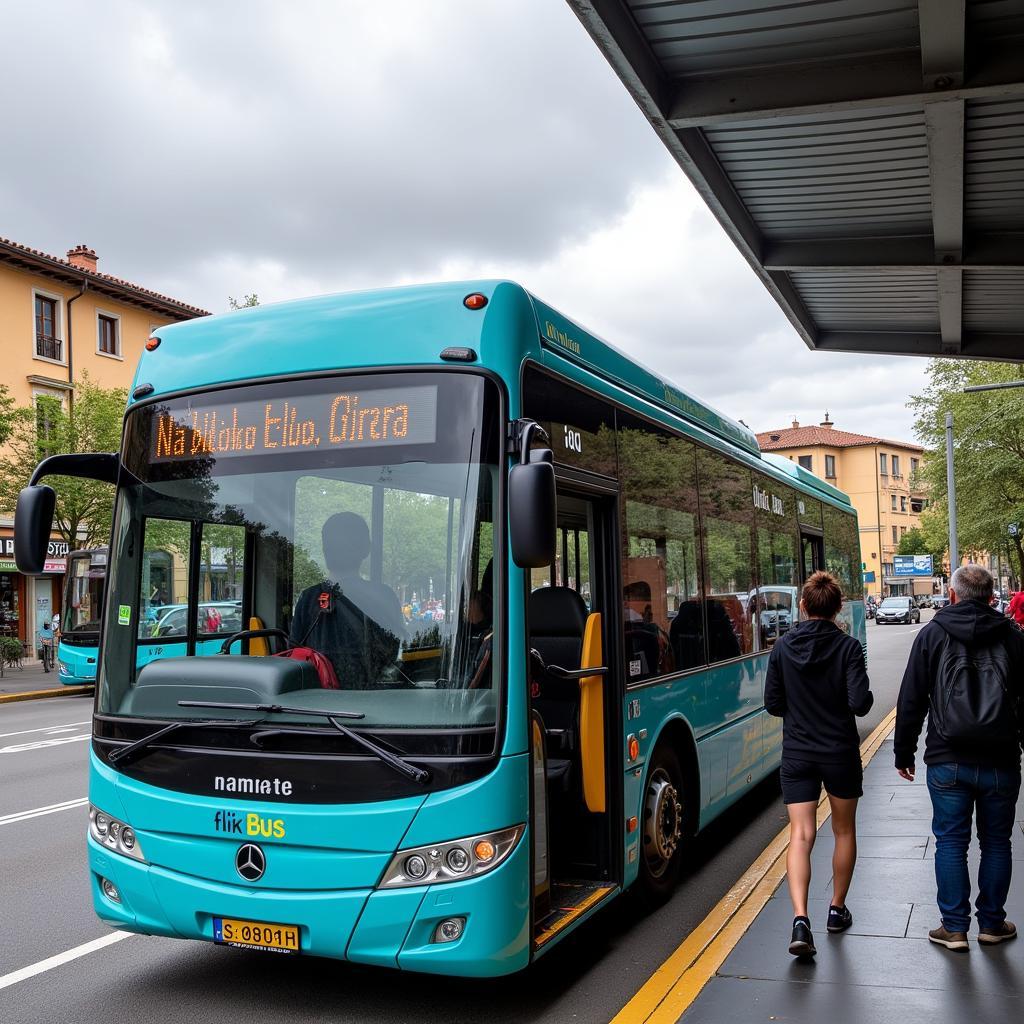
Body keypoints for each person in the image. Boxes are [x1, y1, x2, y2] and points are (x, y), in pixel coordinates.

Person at [894, 563, 1024, 950]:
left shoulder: (932, 634)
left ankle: (954, 928)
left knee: (950, 841)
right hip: (1001, 757)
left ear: (952, 595)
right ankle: (992, 924)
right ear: (990, 597)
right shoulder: (1014, 637)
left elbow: (912, 698)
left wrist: (905, 751)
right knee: (997, 842)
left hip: (947, 757)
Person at [765, 571, 873, 958]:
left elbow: (773, 704)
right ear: (838, 607)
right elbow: (861, 703)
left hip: (797, 753)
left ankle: (799, 920)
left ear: (804, 606)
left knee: (800, 835)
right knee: (843, 831)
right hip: (839, 753)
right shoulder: (848, 648)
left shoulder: (782, 647)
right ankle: (836, 910)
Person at [291, 512, 405, 688]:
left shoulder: (308, 599)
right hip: (376, 699)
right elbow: (393, 653)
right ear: (366, 550)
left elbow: (296, 656)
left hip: (317, 704)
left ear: (325, 548)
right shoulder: (384, 596)